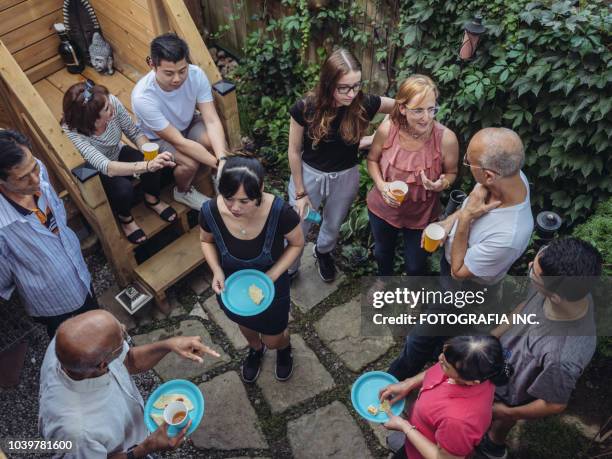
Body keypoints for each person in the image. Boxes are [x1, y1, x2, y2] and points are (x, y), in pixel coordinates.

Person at [388, 127, 534, 380]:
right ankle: (437, 348)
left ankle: (398, 376)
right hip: (456, 277)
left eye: (469, 162)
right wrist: (450, 222)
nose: (466, 165)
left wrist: (464, 219)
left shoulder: (508, 237)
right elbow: (473, 204)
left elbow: (458, 272)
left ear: (489, 175)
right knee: (444, 331)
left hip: (465, 289)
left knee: (419, 336)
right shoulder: (510, 178)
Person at [477, 238, 602, 459]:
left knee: (499, 419)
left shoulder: (563, 356)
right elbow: (525, 305)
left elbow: (554, 404)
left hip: (514, 390)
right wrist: (495, 335)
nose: (529, 269)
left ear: (555, 297)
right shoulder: (573, 289)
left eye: (534, 273)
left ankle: (493, 446)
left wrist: (506, 412)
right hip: (503, 364)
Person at [38, 310, 220, 458]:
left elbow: (129, 361)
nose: (124, 327)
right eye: (122, 335)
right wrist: (147, 447)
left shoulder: (67, 341)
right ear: (102, 365)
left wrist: (169, 345)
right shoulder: (77, 432)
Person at [287, 47, 395, 282]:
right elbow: (294, 151)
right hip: (309, 175)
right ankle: (290, 266)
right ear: (328, 83)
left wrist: (379, 138)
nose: (351, 93)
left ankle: (323, 252)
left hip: (345, 176)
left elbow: (398, 107)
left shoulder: (364, 103)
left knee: (334, 224)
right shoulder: (306, 108)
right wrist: (299, 192)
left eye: (356, 85)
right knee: (298, 225)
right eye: (343, 87)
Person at [199, 156, 304, 383]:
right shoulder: (209, 211)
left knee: (273, 339)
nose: (235, 207)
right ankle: (255, 349)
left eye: (244, 201)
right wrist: (216, 270)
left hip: (273, 286)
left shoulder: (281, 212)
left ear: (261, 189)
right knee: (246, 326)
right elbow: (206, 241)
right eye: (229, 198)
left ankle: (283, 348)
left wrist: (273, 275)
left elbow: (297, 243)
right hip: (233, 288)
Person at [0, 130, 97, 337]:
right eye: (23, 178)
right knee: (70, 343)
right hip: (51, 295)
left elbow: (57, 209)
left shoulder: (37, 169)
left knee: (96, 318)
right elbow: (3, 276)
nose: (35, 179)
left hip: (78, 269)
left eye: (34, 167)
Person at [62, 81, 176, 244]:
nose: (112, 108)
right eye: (107, 109)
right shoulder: (72, 133)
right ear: (92, 119)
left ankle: (152, 198)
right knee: (123, 189)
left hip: (117, 151)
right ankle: (125, 218)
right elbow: (107, 167)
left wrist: (150, 155)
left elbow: (134, 132)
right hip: (97, 169)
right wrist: (146, 166)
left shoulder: (111, 102)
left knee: (152, 160)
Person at [367, 75, 459, 276]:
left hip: (422, 215)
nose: (426, 118)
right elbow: (372, 160)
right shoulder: (387, 128)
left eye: (431, 109)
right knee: (382, 253)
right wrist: (382, 186)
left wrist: (441, 184)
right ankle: (384, 281)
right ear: (402, 108)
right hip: (383, 209)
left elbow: (452, 173)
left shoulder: (446, 139)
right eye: (418, 110)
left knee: (416, 265)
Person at [132, 33, 227, 211]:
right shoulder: (142, 97)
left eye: (182, 70)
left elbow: (212, 120)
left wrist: (222, 158)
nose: (177, 79)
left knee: (215, 142)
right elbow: (179, 142)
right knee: (190, 163)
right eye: (169, 73)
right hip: (159, 138)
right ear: (152, 65)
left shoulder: (196, 75)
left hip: (188, 122)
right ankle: (182, 191)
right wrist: (221, 164)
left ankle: (219, 179)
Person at [381, 336, 512, 459]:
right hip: (423, 433)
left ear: (472, 382)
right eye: (443, 354)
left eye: (445, 365)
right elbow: (440, 367)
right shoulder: (469, 365)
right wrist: (408, 384)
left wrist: (405, 427)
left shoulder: (459, 423)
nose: (439, 358)